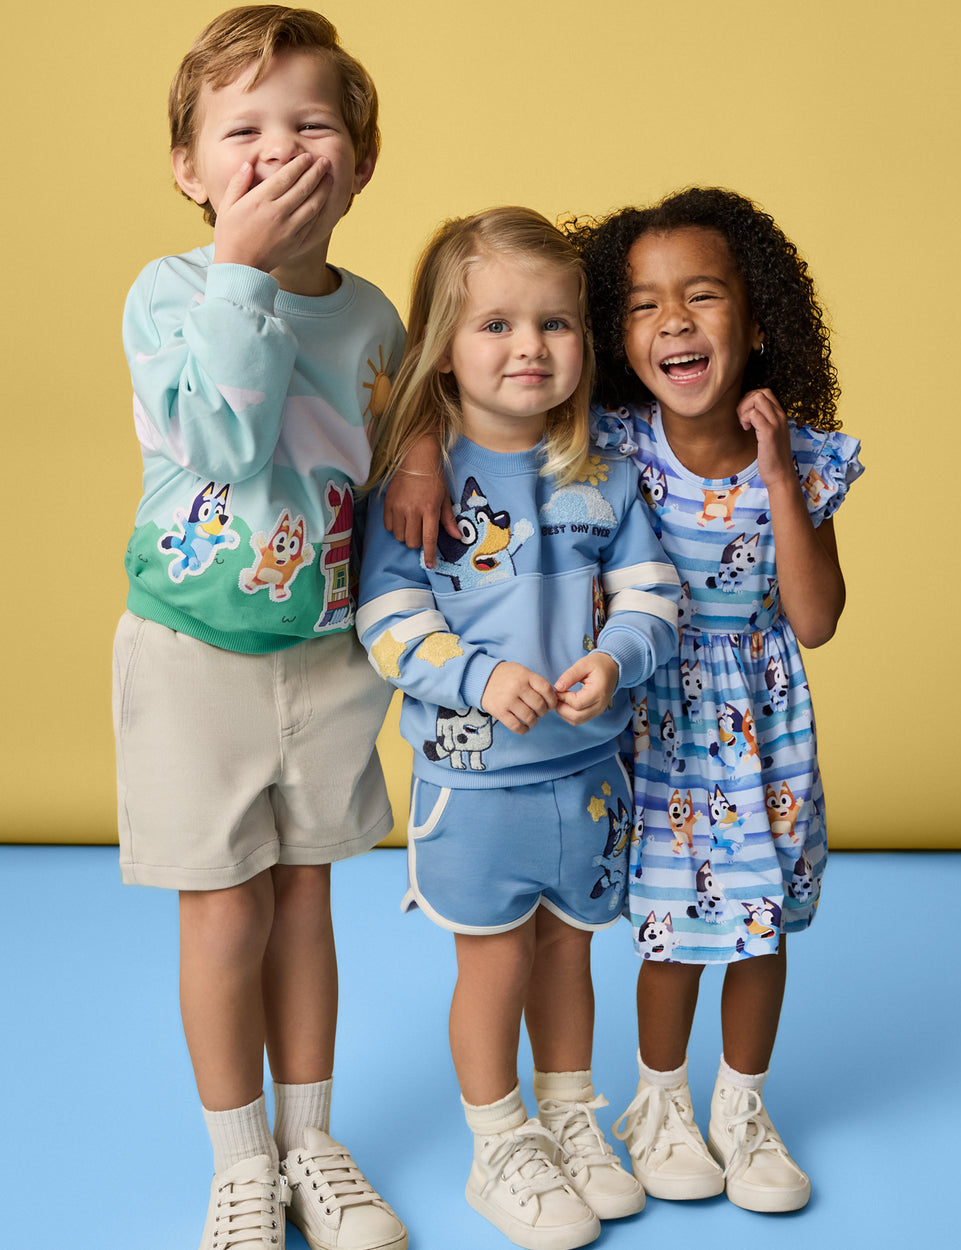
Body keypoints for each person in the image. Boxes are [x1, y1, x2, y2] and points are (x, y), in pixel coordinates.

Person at [113, 8, 408, 1250]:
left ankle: (311, 1136)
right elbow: (226, 444)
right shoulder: (173, 294)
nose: (277, 150)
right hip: (191, 659)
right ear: (191, 168)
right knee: (224, 910)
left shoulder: (375, 317)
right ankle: (241, 1159)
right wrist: (241, 268)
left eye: (311, 124)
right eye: (241, 129)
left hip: (327, 654)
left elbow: (392, 481)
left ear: (358, 161)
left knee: (305, 901)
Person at [358, 207, 682, 1250]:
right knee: (494, 962)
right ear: (444, 352)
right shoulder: (418, 482)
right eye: (495, 324)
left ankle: (569, 1119)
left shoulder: (606, 472)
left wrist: (617, 656)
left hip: (587, 775)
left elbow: (650, 592)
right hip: (477, 782)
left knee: (568, 955)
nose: (529, 347)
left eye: (553, 323)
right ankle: (498, 1142)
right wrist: (478, 675)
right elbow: (386, 619)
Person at [570, 187, 863, 1213]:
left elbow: (816, 616)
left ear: (758, 318)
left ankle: (741, 1105)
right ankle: (658, 1102)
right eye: (644, 305)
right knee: (670, 925)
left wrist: (781, 479)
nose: (674, 322)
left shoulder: (805, 458)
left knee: (760, 919)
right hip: (656, 716)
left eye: (700, 296)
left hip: (761, 719)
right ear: (618, 334)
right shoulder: (610, 444)